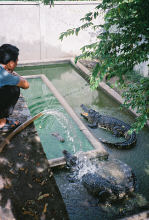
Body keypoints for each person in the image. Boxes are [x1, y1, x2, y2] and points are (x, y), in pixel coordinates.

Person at [0, 44, 29, 132]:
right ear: (11, 63)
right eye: (16, 60)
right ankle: (1, 123)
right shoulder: (4, 75)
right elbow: (26, 85)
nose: (17, 62)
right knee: (14, 89)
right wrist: (13, 74)